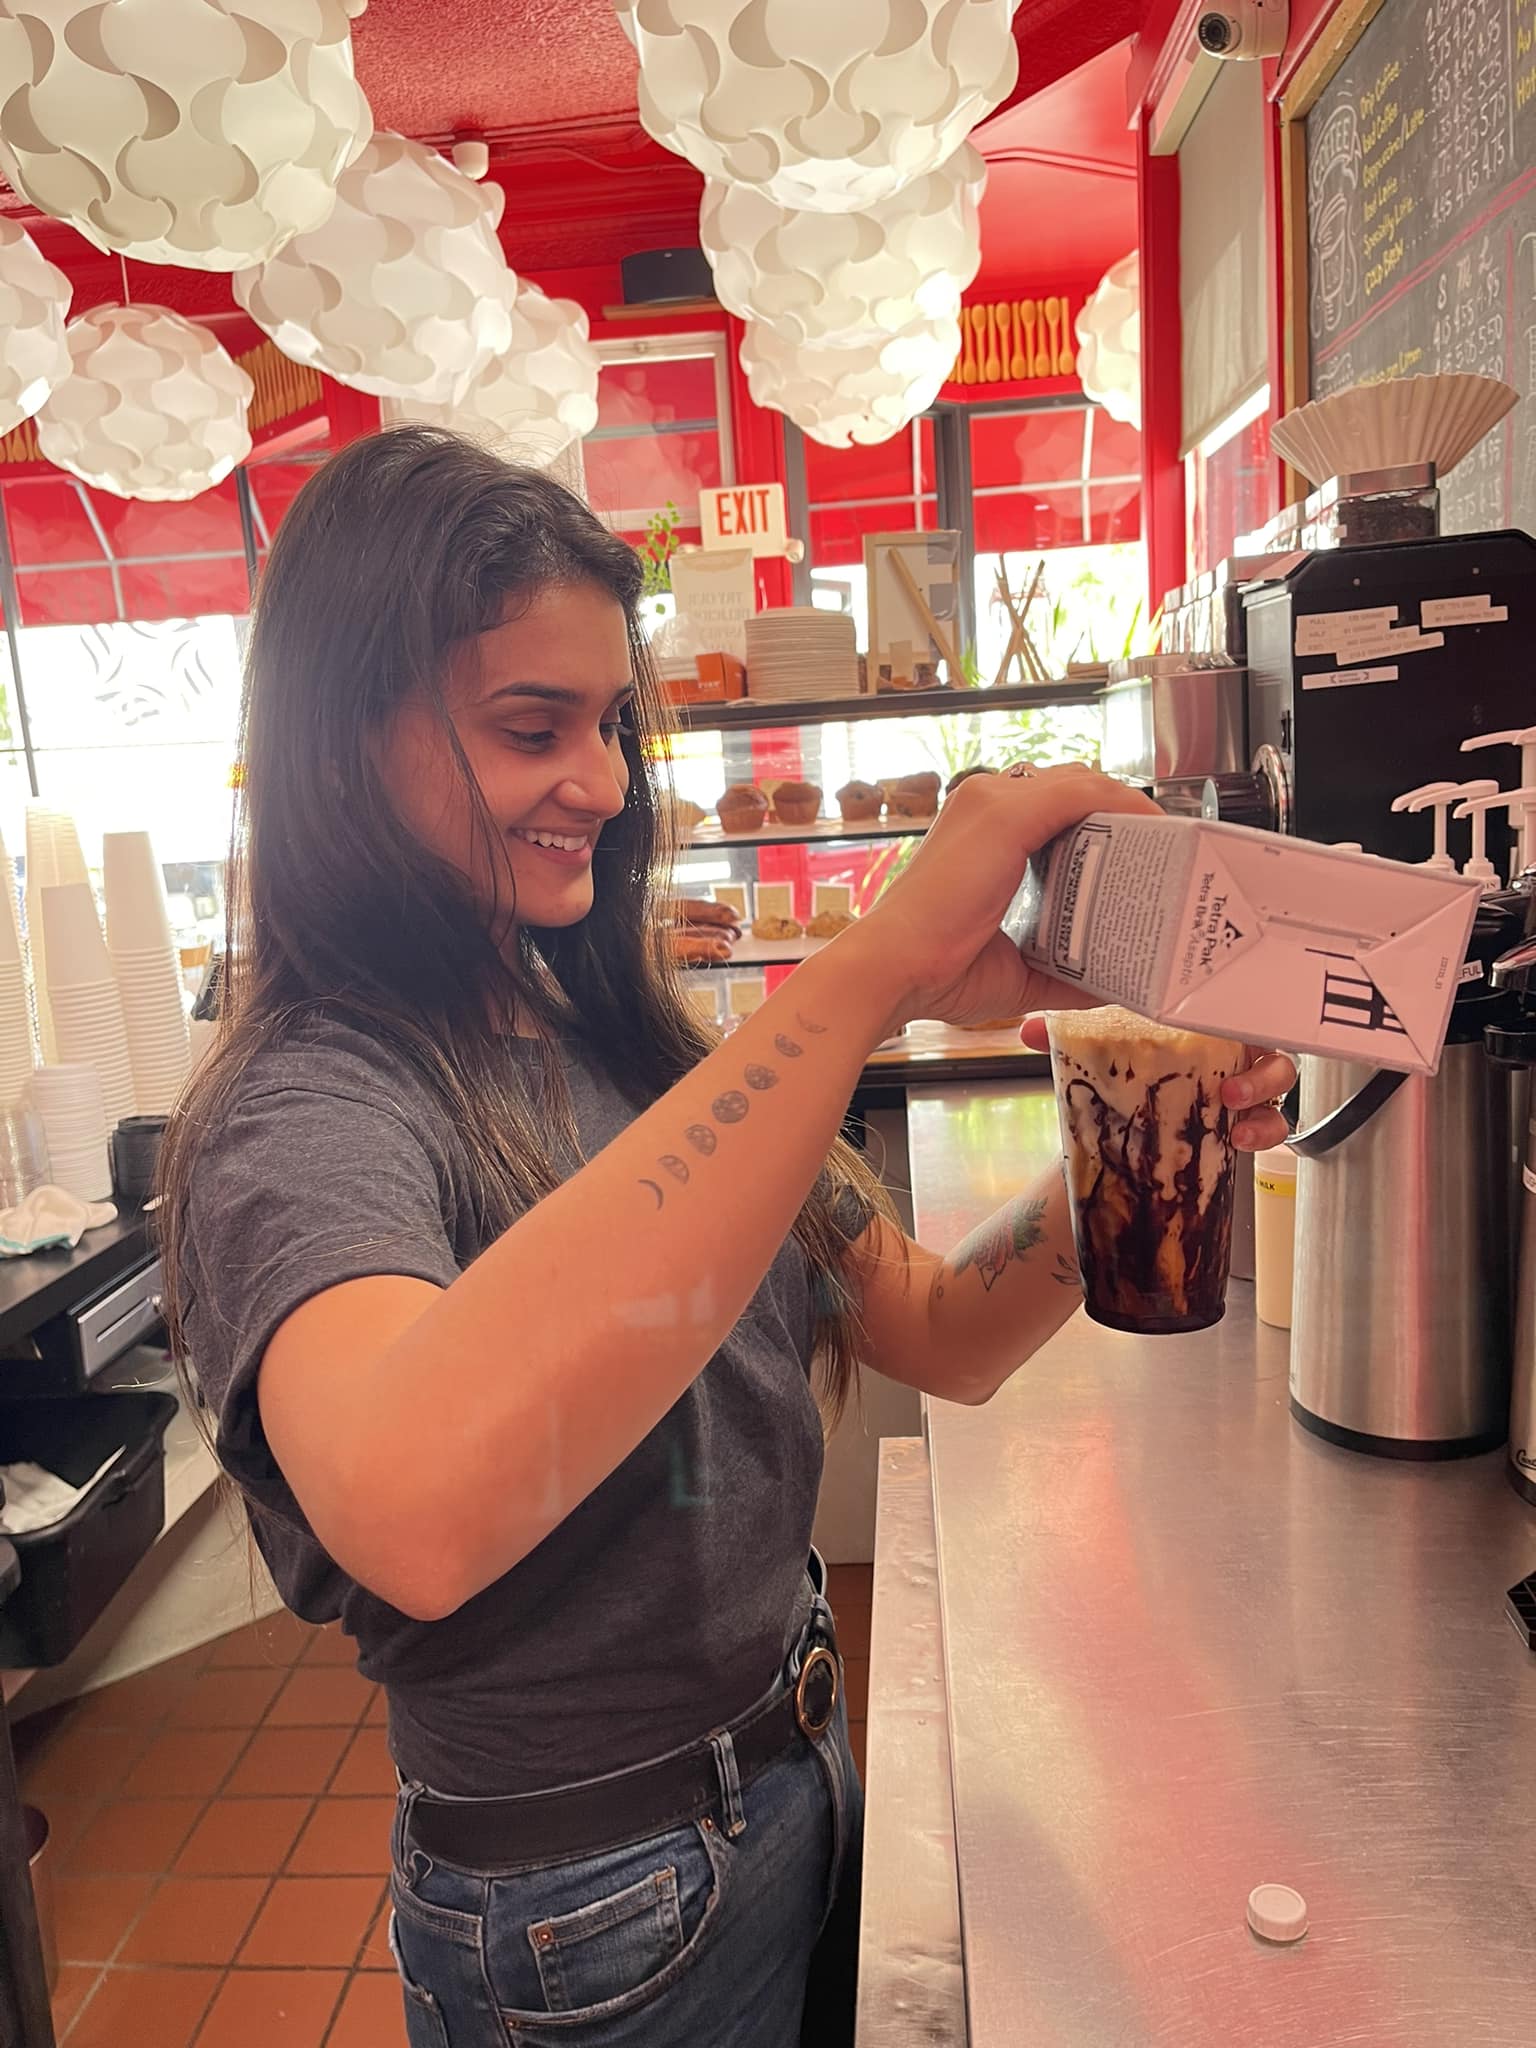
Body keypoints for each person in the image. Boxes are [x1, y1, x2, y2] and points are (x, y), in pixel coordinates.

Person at [159, 426, 1294, 2048]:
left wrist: (1134, 1143)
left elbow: (942, 1328)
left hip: (794, 1772)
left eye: (611, 725)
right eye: (532, 728)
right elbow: (413, 1507)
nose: (603, 783)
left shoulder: (624, 1040)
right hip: (587, 1908)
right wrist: (866, 977)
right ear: (344, 742)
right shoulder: (308, 1109)